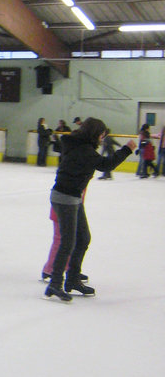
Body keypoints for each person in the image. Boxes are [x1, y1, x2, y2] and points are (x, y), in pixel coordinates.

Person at [43, 118, 135, 302]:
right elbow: (106, 165)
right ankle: (55, 283)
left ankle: (73, 279)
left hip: (72, 197)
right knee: (68, 241)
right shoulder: (84, 150)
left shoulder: (79, 145)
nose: (102, 138)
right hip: (65, 198)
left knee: (83, 238)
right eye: (101, 135)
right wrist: (127, 150)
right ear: (94, 134)